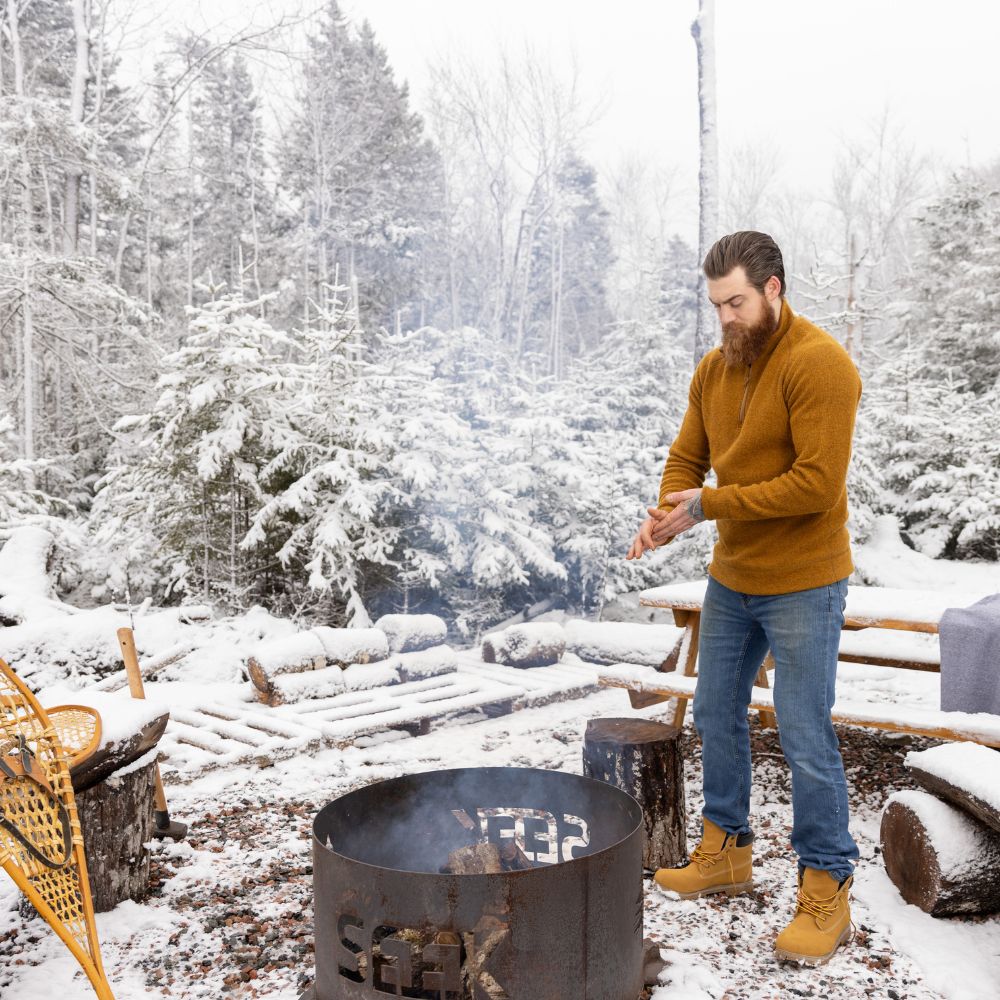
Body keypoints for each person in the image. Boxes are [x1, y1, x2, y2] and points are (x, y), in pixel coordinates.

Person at [626, 230, 862, 966]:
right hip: (734, 577)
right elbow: (686, 457)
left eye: (736, 303)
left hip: (806, 580)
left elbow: (815, 485)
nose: (726, 317)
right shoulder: (714, 369)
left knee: (804, 732)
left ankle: (827, 883)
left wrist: (707, 506)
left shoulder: (820, 364)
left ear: (773, 289)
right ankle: (726, 849)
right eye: (716, 305)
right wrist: (670, 509)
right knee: (714, 711)